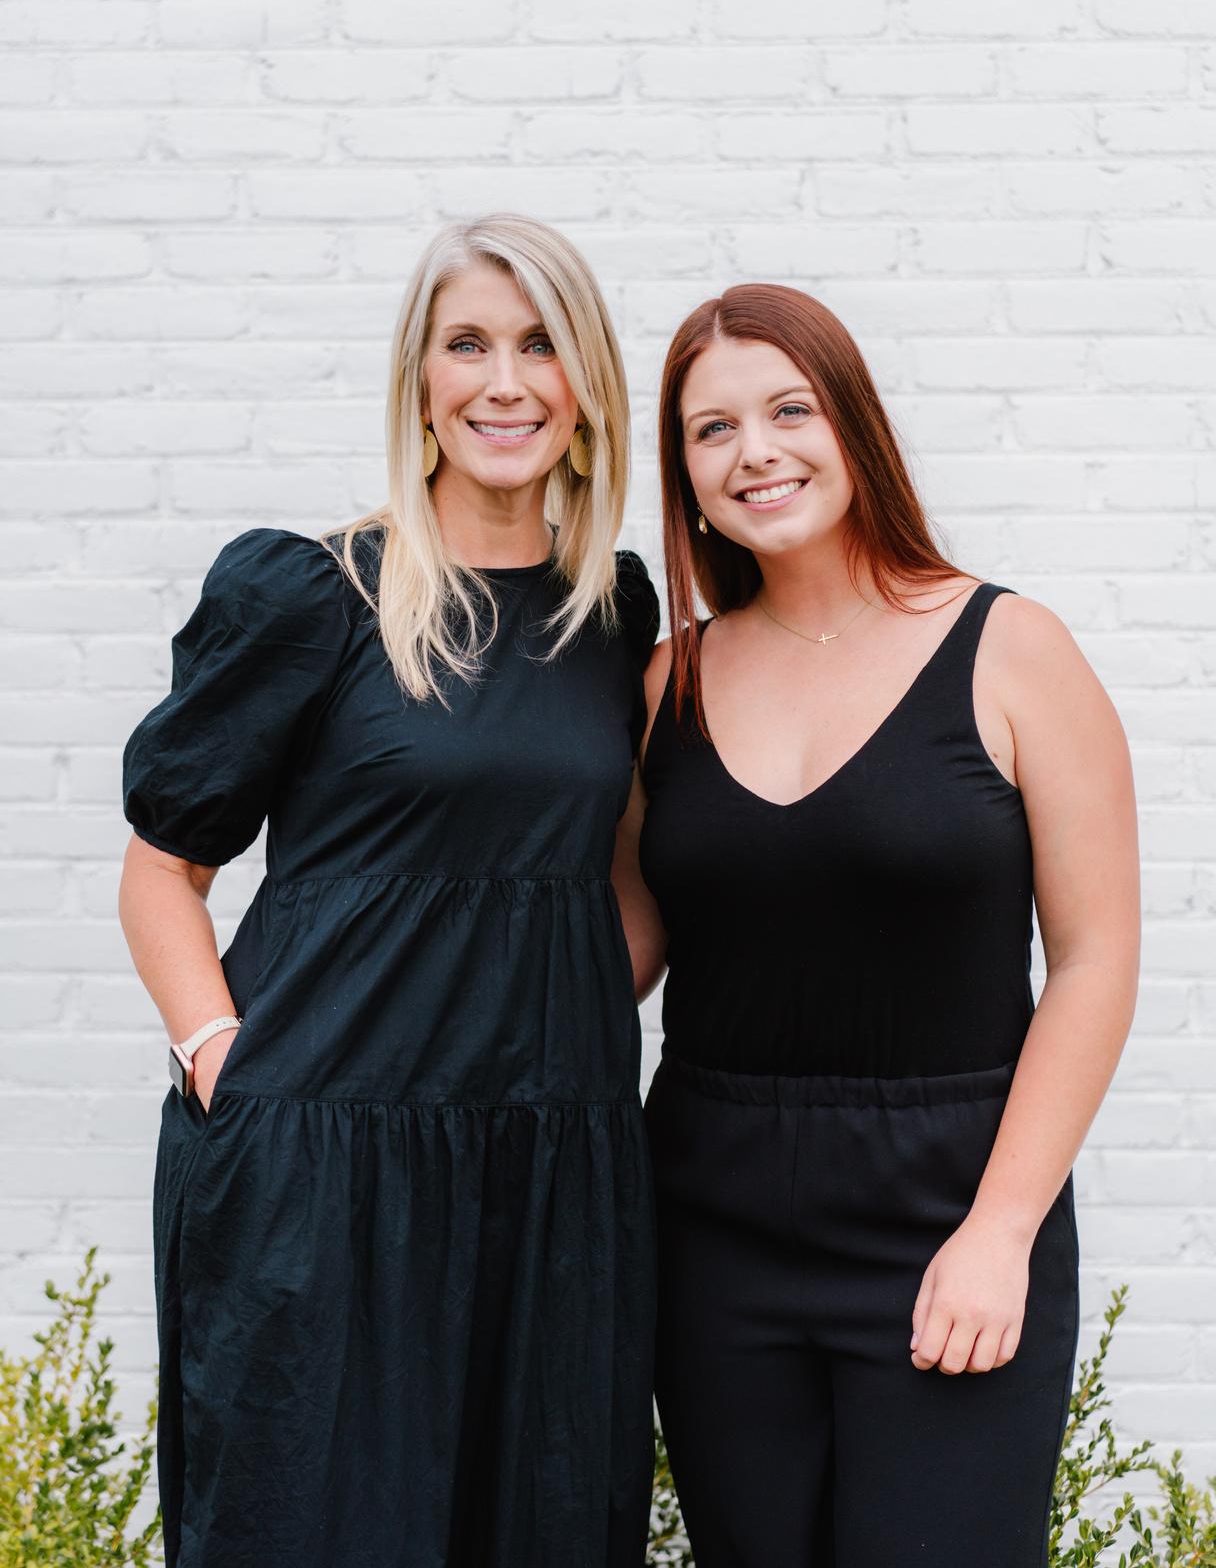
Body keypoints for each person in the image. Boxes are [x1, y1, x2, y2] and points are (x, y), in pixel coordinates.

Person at [118, 215, 660, 1568]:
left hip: (548, 1165)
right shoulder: (315, 593)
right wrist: (226, 1061)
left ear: (588, 383)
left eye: (539, 345)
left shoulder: (610, 613)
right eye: (466, 344)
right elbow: (163, 868)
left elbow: (607, 881)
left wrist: (573, 1024)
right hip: (320, 1156)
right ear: (419, 380)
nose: (503, 381)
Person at [613, 283, 1140, 1568]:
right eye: (712, 428)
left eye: (789, 409)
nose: (755, 451)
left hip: (948, 1208)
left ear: (853, 423)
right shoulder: (670, 680)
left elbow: (1095, 958)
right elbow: (613, 951)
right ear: (684, 476)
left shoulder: (1010, 647)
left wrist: (1000, 1229)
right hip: (711, 1218)